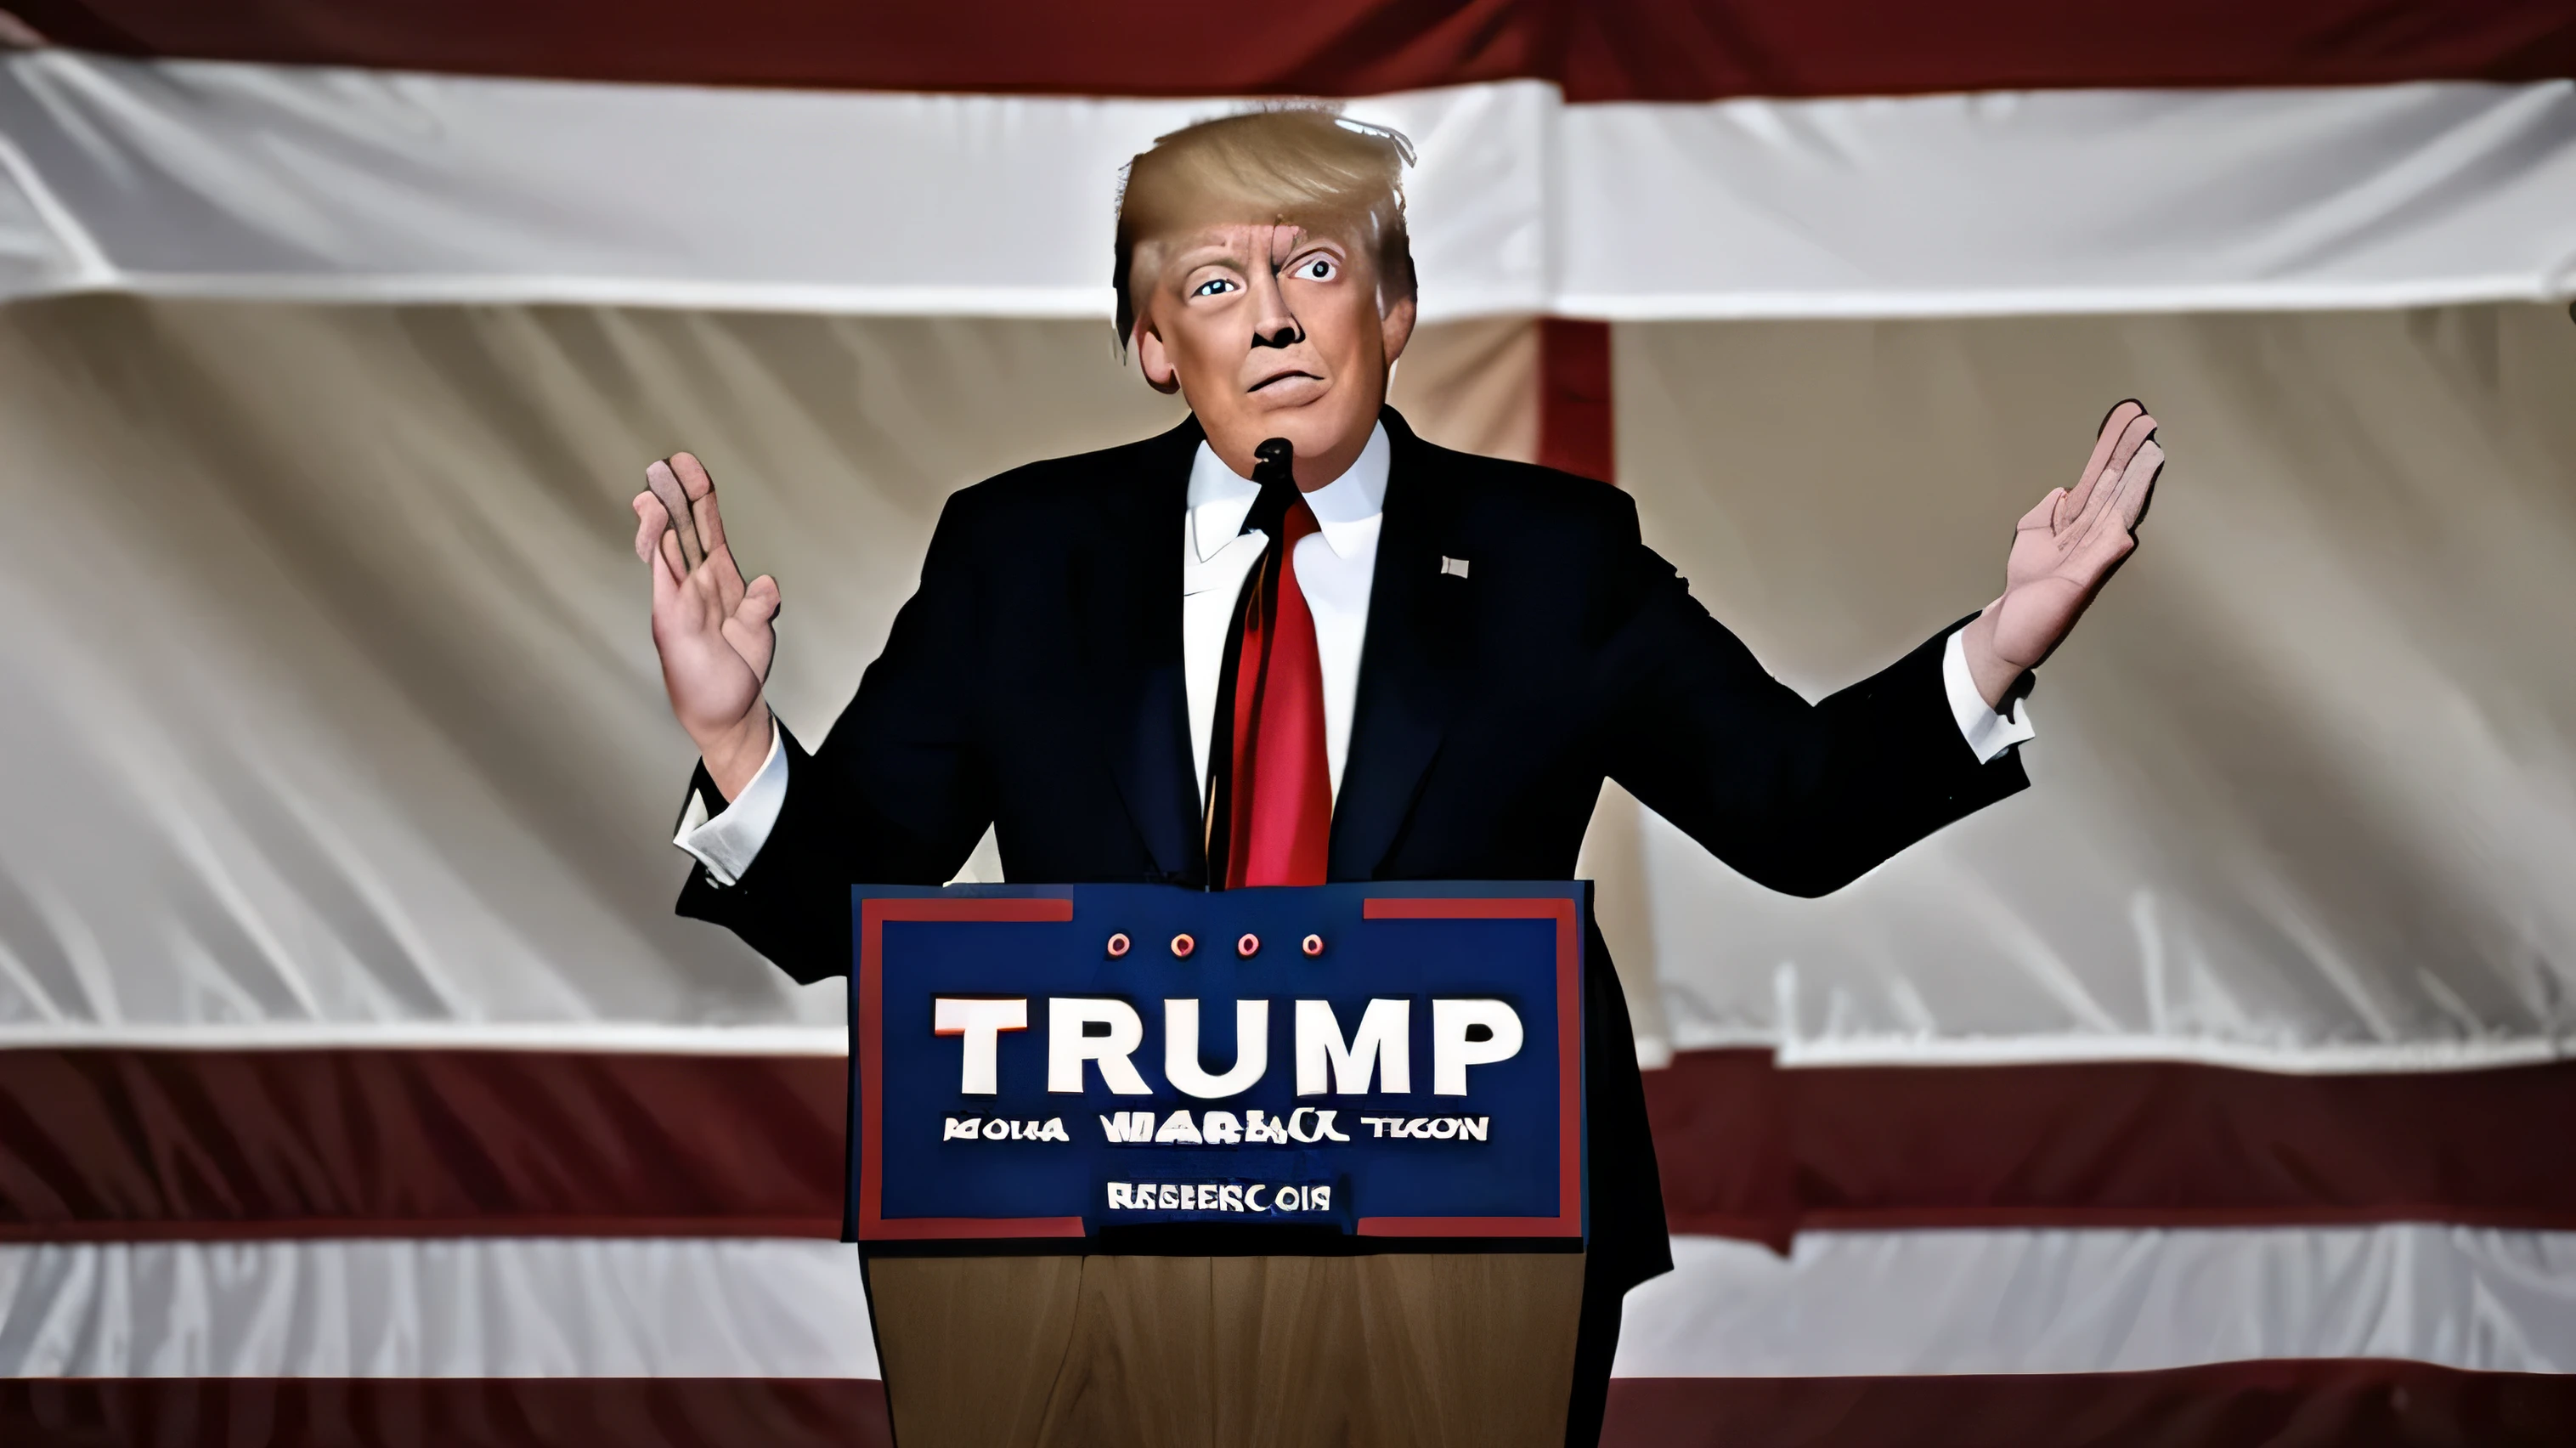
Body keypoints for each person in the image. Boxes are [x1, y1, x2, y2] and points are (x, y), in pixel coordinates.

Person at [632, 108, 2161, 1448]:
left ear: (1397, 305)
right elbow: (856, 909)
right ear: (1158, 345)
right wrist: (736, 741)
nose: (1273, 321)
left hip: (1474, 1247)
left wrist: (2005, 640)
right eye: (1215, 285)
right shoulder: (1020, 556)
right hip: (1089, 1240)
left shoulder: (1559, 561)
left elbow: (1798, 809)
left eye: (1313, 268)